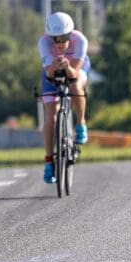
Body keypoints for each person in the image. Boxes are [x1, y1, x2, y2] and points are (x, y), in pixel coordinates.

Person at [38, 11, 91, 184]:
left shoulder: (80, 40)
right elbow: (49, 74)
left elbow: (75, 74)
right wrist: (53, 67)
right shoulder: (44, 42)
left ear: (71, 33)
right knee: (50, 115)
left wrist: (67, 67)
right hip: (52, 71)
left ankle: (81, 123)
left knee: (75, 85)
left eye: (64, 37)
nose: (59, 42)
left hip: (76, 68)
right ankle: (48, 160)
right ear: (49, 36)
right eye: (55, 38)